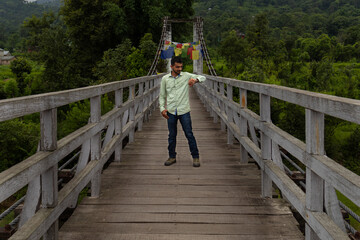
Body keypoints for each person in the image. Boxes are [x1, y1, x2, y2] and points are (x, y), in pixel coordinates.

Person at [159, 56, 206, 167]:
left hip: (184, 110)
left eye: (181, 67)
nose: (180, 69)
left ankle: (195, 157)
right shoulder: (165, 79)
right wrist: (162, 108)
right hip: (171, 111)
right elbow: (162, 96)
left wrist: (195, 80)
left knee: (189, 134)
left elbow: (203, 77)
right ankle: (172, 157)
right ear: (171, 66)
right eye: (177, 67)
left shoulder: (186, 76)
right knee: (172, 135)